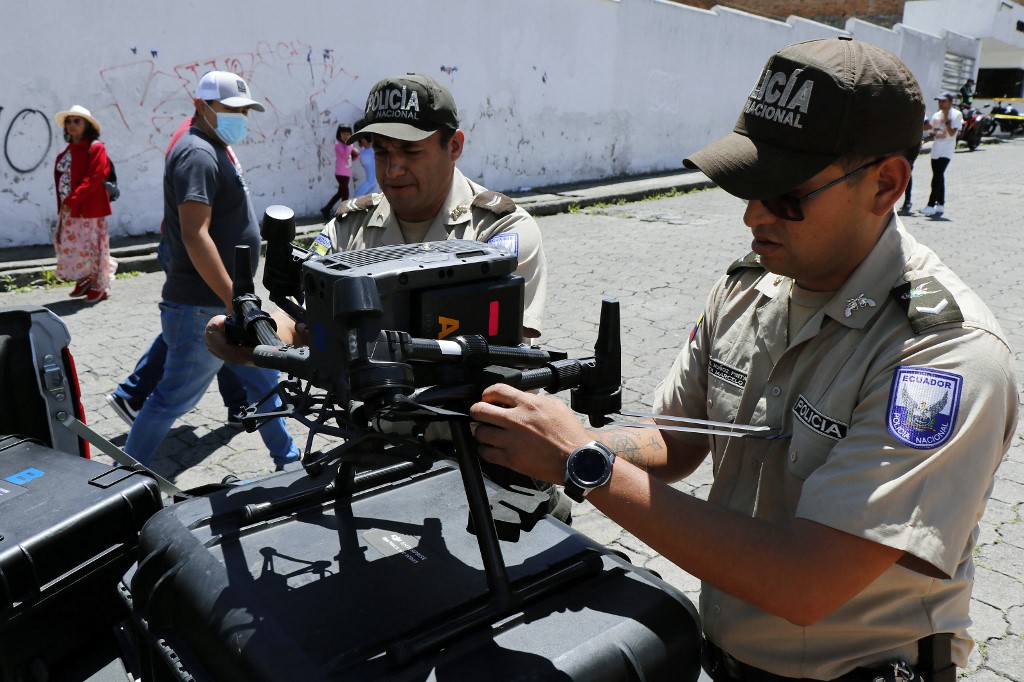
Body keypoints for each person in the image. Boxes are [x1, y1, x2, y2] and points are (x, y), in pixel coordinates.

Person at [469, 38, 1017, 680]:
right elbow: (675, 440)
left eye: (786, 192)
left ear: (886, 184)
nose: (754, 214)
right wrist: (543, 443)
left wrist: (581, 463)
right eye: (747, 185)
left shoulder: (942, 354)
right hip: (725, 656)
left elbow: (804, 581)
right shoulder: (753, 284)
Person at [206, 72, 563, 519]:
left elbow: (504, 357)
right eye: (381, 150)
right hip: (377, 454)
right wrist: (252, 338)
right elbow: (302, 324)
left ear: (454, 146)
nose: (393, 169)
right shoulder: (349, 226)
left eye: (411, 151)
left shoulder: (499, 233)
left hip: (483, 461)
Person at [123, 71, 300, 471]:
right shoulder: (198, 153)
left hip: (224, 303)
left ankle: (289, 464)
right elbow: (194, 233)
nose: (241, 117)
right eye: (232, 109)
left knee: (264, 384)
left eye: (245, 110)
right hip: (203, 306)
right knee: (172, 399)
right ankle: (123, 482)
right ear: (202, 107)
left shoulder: (213, 145)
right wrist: (233, 299)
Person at [106, 115, 247, 427]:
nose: (240, 117)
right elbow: (195, 228)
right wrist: (229, 292)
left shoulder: (208, 140)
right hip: (192, 253)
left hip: (200, 252)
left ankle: (240, 404)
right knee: (198, 323)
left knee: (203, 325)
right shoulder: (196, 144)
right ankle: (135, 394)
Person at [53, 104, 115, 303]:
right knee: (73, 247)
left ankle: (100, 285)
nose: (72, 125)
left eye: (76, 121)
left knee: (94, 247)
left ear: (87, 125)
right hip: (70, 209)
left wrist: (72, 199)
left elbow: (94, 177)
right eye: (69, 121)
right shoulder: (68, 150)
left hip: (90, 209)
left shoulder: (96, 148)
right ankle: (85, 279)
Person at [921, 92, 963, 217]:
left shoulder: (956, 114)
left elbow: (951, 133)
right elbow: (933, 132)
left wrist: (946, 119)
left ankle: (930, 205)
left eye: (943, 101)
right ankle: (940, 204)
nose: (941, 104)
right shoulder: (936, 114)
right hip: (936, 149)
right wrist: (924, 139)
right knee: (938, 176)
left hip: (947, 150)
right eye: (939, 101)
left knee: (937, 176)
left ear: (950, 102)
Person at [319, 124, 359, 221]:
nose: (346, 135)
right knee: (345, 194)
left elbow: (352, 158)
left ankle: (326, 209)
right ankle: (343, 214)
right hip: (341, 174)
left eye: (348, 133)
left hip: (346, 173)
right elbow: (345, 154)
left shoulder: (347, 146)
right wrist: (350, 145)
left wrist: (356, 153)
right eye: (343, 133)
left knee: (341, 193)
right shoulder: (339, 145)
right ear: (339, 134)